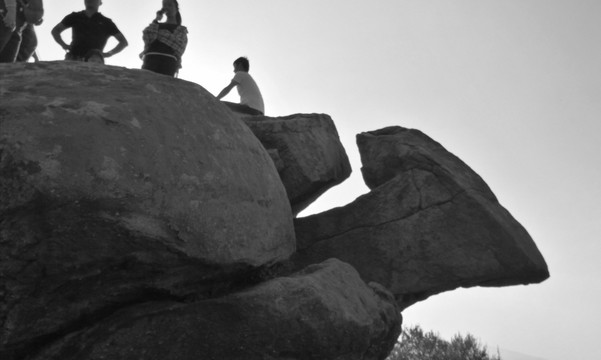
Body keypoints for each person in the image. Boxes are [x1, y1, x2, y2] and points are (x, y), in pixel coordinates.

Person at [51, 0, 127, 62]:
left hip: (94, 61)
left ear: (100, 2)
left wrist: (108, 54)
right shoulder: (75, 16)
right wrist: (63, 44)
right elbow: (55, 31)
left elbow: (123, 42)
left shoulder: (106, 22)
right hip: (73, 58)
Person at [140, 0, 187, 77]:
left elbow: (179, 48)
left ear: (176, 9)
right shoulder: (156, 25)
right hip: (151, 59)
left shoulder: (181, 30)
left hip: (168, 62)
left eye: (170, 5)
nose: (167, 7)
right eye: (164, 5)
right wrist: (156, 19)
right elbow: (147, 34)